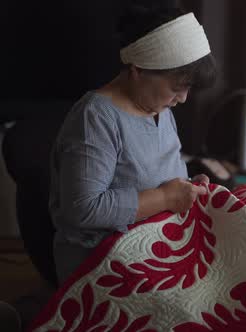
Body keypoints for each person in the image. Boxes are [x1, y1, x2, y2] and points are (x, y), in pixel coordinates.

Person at [48, 4, 217, 285]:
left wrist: (186, 186)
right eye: (177, 87)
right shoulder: (96, 117)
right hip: (103, 262)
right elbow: (83, 208)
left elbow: (154, 176)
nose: (184, 98)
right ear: (139, 70)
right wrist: (165, 198)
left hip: (158, 247)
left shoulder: (161, 111)